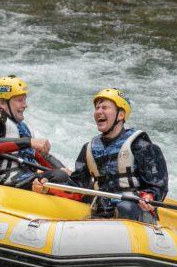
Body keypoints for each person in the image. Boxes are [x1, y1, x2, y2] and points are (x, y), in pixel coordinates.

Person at [35, 88, 167, 222]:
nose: (98, 112)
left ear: (121, 115)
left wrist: (149, 197)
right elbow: (77, 185)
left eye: (104, 107)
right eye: (97, 108)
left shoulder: (141, 146)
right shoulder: (89, 148)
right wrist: (49, 188)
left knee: (125, 207)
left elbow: (157, 186)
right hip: (102, 212)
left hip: (136, 212)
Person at [0, 75, 76, 195]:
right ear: (2, 103)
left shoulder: (23, 128)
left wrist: (64, 169)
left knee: (71, 177)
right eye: (19, 100)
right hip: (7, 184)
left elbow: (41, 156)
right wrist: (29, 142)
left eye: (25, 99)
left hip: (28, 179)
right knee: (59, 176)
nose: (25, 105)